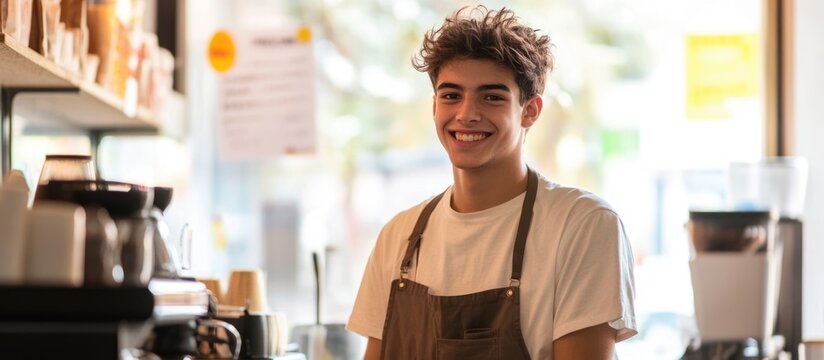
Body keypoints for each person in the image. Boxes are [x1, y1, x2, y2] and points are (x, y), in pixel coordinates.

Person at [346, 5, 637, 359]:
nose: (466, 114)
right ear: (435, 107)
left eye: (492, 97)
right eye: (451, 95)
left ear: (530, 111)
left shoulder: (581, 224)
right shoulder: (398, 237)